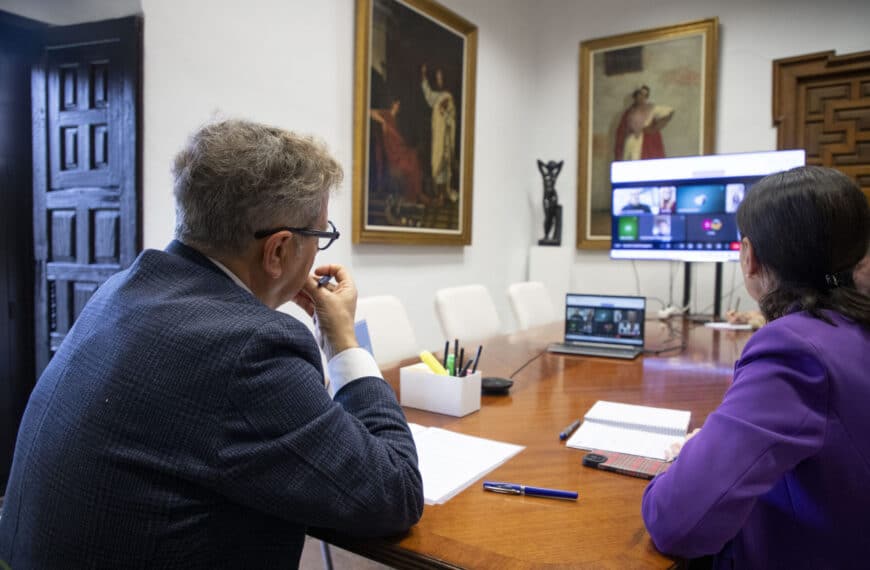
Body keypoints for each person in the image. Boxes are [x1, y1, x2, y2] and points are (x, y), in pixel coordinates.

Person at [0, 120, 424, 568]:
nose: (319, 251)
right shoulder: (249, 347)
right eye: (319, 236)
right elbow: (395, 493)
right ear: (278, 250)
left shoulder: (120, 289)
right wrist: (342, 342)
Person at [642, 166, 870, 568]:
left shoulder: (794, 349)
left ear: (748, 256)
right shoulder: (852, 327)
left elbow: (675, 521)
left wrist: (692, 456)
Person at [370, 98, 427, 207]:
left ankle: (418, 194)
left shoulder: (395, 119)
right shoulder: (386, 115)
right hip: (394, 155)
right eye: (397, 104)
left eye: (398, 104)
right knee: (412, 161)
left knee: (414, 157)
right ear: (393, 104)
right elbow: (369, 112)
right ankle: (415, 196)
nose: (398, 106)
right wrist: (382, 121)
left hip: (400, 150)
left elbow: (398, 139)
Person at [421, 64, 457, 202]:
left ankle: (443, 194)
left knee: (443, 164)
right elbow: (429, 96)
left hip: (444, 138)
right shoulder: (440, 96)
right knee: (437, 163)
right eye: (437, 78)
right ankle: (439, 195)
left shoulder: (448, 97)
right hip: (437, 135)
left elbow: (450, 118)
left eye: (440, 78)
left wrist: (445, 113)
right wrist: (424, 77)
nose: (438, 81)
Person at [614, 85, 674, 162]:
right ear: (635, 96)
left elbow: (670, 112)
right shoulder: (628, 112)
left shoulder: (651, 108)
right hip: (631, 141)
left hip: (647, 143)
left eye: (645, 95)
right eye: (640, 94)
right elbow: (621, 130)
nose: (642, 97)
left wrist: (655, 128)